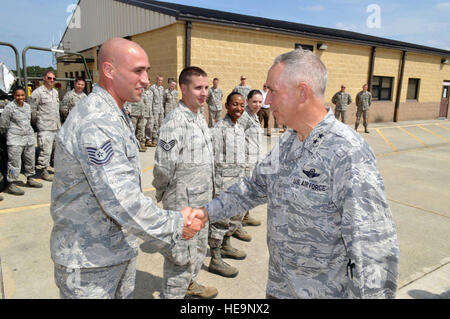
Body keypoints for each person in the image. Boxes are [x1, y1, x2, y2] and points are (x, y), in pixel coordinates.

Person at [191, 49, 399, 299]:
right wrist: (206, 212)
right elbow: (254, 187)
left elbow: (373, 250)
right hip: (280, 288)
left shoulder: (347, 152)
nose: (266, 100)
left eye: (273, 91)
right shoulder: (289, 141)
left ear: (302, 92)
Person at [49, 38, 204, 299]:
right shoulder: (97, 120)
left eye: (147, 70)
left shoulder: (116, 113)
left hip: (114, 251)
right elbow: (121, 200)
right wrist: (178, 224)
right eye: (138, 71)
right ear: (109, 71)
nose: (146, 79)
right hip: (89, 264)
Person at [152, 66, 217, 299]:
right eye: (198, 88)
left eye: (206, 87)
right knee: (181, 256)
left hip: (201, 201)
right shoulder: (176, 121)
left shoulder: (199, 116)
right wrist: (163, 192)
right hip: (183, 202)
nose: (204, 93)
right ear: (183, 88)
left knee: (198, 250)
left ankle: (189, 285)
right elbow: (163, 166)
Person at [208, 92, 247, 278]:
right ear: (226, 105)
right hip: (223, 183)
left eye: (241, 105)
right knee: (220, 220)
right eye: (234, 105)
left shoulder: (239, 128)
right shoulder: (219, 130)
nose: (238, 109)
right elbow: (211, 160)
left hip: (237, 181)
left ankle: (226, 245)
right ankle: (215, 259)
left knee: (235, 217)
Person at [0, 86, 43, 196]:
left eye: (22, 95)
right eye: (18, 95)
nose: (20, 97)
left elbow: (29, 121)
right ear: (14, 96)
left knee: (30, 160)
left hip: (28, 138)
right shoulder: (10, 108)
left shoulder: (27, 107)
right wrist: (11, 135)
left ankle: (30, 178)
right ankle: (11, 183)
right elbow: (3, 125)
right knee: (14, 163)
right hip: (15, 140)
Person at [237, 90, 263, 228]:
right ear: (247, 101)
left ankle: (245, 216)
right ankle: (236, 225)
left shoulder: (254, 116)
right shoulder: (244, 117)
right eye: (254, 101)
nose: (257, 104)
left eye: (260, 102)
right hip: (245, 162)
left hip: (253, 161)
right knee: (243, 192)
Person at [30, 70, 60, 182]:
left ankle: (55, 168)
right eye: (49, 78)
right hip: (45, 126)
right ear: (44, 78)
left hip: (56, 126)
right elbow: (33, 110)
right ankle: (44, 170)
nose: (51, 80)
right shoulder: (37, 93)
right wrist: (37, 122)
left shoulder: (55, 92)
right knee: (45, 150)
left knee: (57, 149)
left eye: (53, 78)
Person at [125, 82, 152, 152]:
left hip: (142, 112)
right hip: (134, 112)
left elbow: (145, 101)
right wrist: (128, 109)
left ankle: (140, 144)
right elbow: (128, 100)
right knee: (132, 129)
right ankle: (131, 145)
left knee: (141, 129)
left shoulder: (142, 90)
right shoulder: (131, 89)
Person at [149, 75, 165, 146]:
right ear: (156, 80)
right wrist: (151, 110)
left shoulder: (162, 88)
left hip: (161, 109)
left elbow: (163, 100)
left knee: (161, 124)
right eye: (159, 80)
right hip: (154, 109)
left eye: (161, 80)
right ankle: (154, 139)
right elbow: (151, 100)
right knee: (155, 124)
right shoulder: (152, 88)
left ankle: (159, 138)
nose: (160, 82)